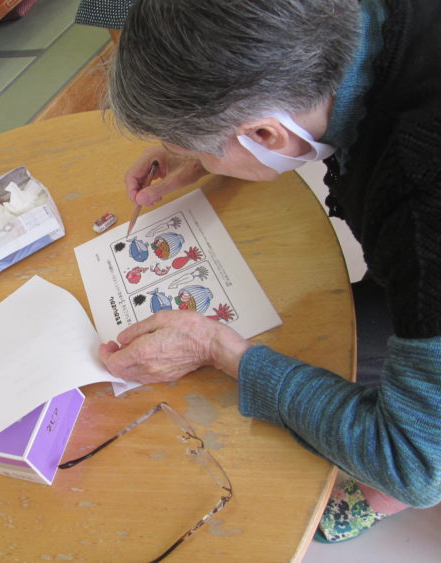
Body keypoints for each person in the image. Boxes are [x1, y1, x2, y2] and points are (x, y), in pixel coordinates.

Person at [100, 0, 441, 543]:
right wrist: (205, 147)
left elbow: (413, 462)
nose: (197, 158)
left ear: (264, 135)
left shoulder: (420, 205)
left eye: (202, 150)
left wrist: (219, 348)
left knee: (327, 366)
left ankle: (379, 498)